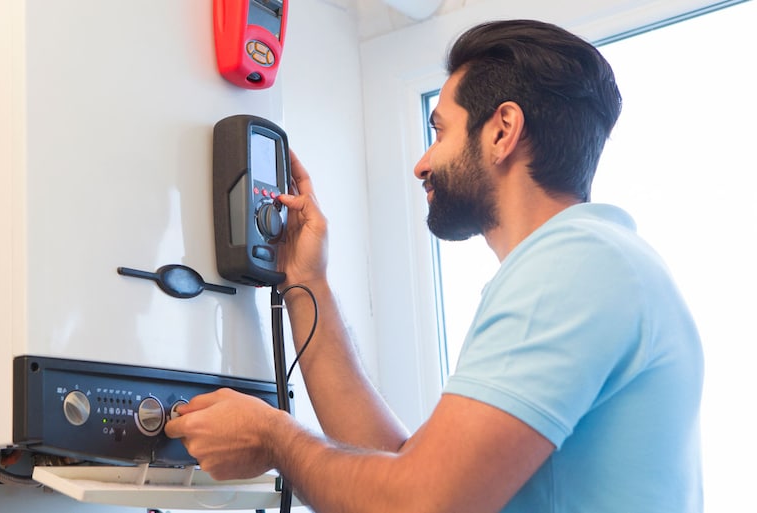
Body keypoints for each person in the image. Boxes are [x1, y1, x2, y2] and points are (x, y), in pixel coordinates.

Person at [165, 19, 704, 513]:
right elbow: (400, 462)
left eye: (440, 131)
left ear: (502, 130)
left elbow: (418, 504)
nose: (423, 162)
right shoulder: (600, 263)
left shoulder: (572, 267)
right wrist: (308, 281)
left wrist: (275, 438)